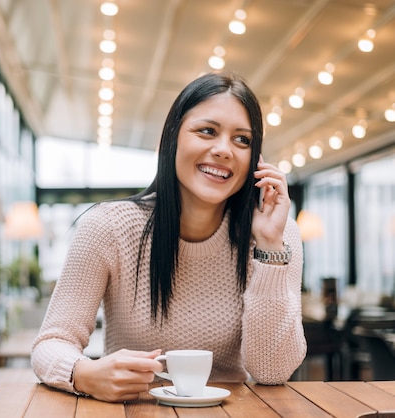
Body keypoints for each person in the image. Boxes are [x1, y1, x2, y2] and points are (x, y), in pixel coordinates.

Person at [31, 72, 307, 402]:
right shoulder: (109, 227)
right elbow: (51, 343)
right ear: (172, 139)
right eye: (207, 131)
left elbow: (272, 371)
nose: (223, 150)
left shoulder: (276, 234)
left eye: (242, 140)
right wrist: (84, 373)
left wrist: (270, 247)